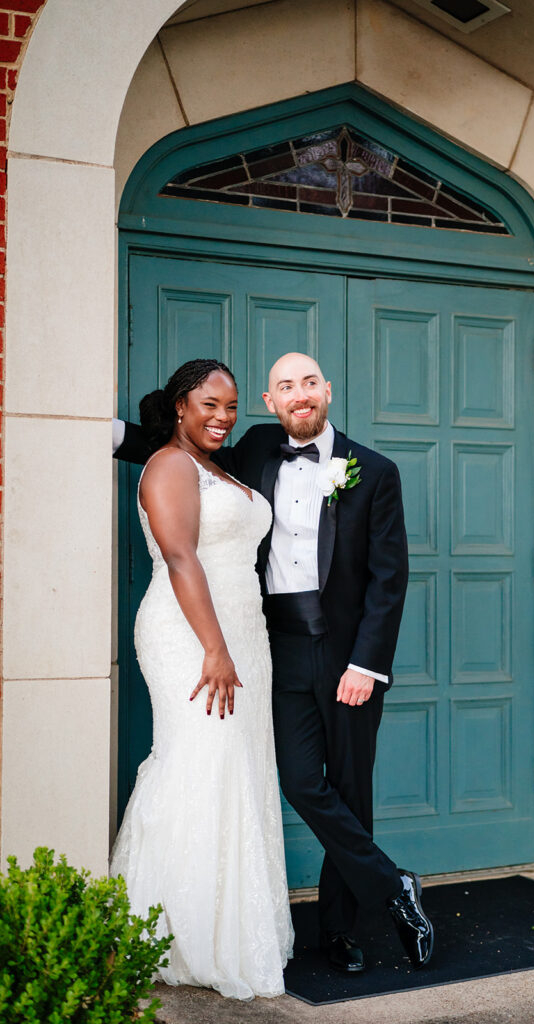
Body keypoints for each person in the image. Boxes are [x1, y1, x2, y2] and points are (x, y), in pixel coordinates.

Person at [115, 352, 435, 974]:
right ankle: (397, 885)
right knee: (298, 781)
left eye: (309, 383)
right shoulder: (253, 445)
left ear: (327, 391)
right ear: (272, 402)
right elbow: (171, 458)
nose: (299, 395)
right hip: (272, 643)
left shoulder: (374, 470)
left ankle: (342, 930)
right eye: (286, 387)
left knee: (348, 786)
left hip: (346, 656)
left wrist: (366, 664)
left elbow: (388, 578)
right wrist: (93, 431)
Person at [110, 358, 294, 1000]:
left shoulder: (222, 468)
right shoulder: (168, 465)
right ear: (181, 405)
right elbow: (182, 554)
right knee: (198, 761)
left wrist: (234, 644)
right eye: (209, 404)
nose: (223, 416)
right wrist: (214, 648)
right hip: (192, 637)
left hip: (243, 637)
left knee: (235, 768)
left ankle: (227, 928)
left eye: (232, 406)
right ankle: (178, 933)